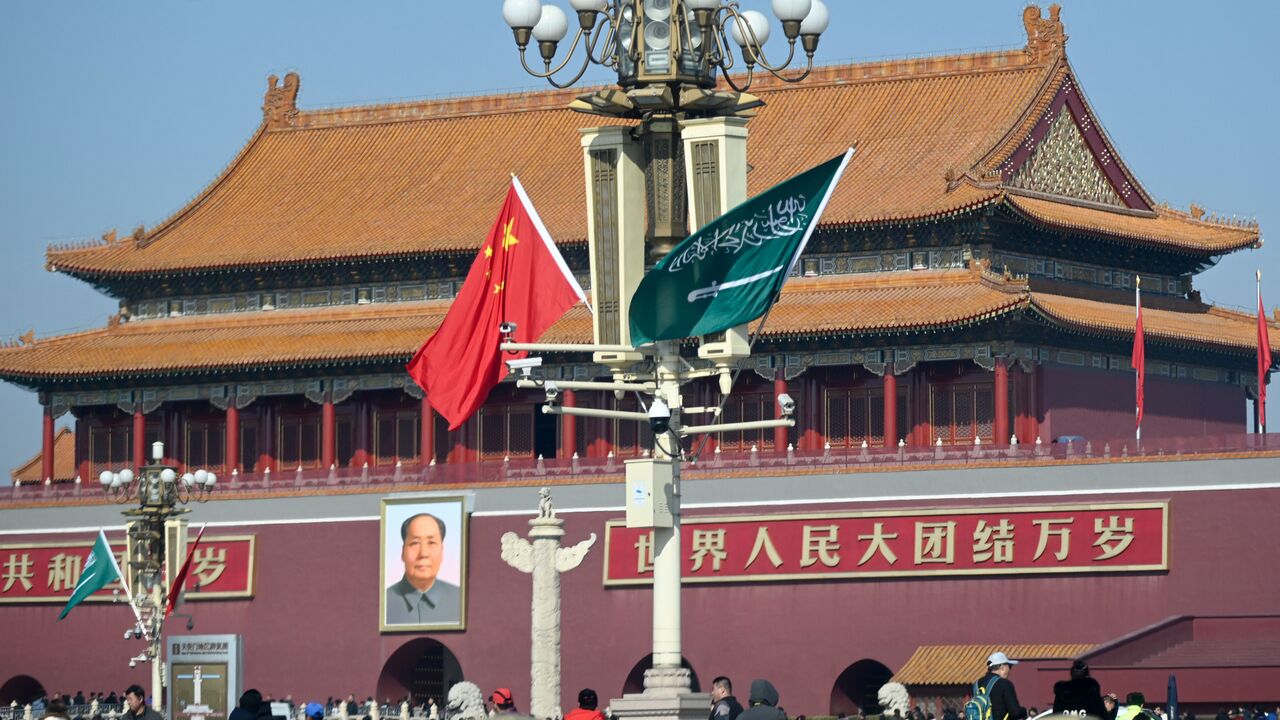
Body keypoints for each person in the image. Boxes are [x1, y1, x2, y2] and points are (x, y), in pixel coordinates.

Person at [385, 513, 462, 625]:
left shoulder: (462, 600)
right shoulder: (382, 603)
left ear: (442, 551)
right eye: (415, 543)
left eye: (431, 543)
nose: (423, 553)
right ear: (402, 552)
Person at [975, 652, 1027, 720]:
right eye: (1009, 666)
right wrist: (1024, 711)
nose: (1009, 670)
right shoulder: (1005, 684)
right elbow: (1015, 713)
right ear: (1002, 667)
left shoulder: (976, 684)